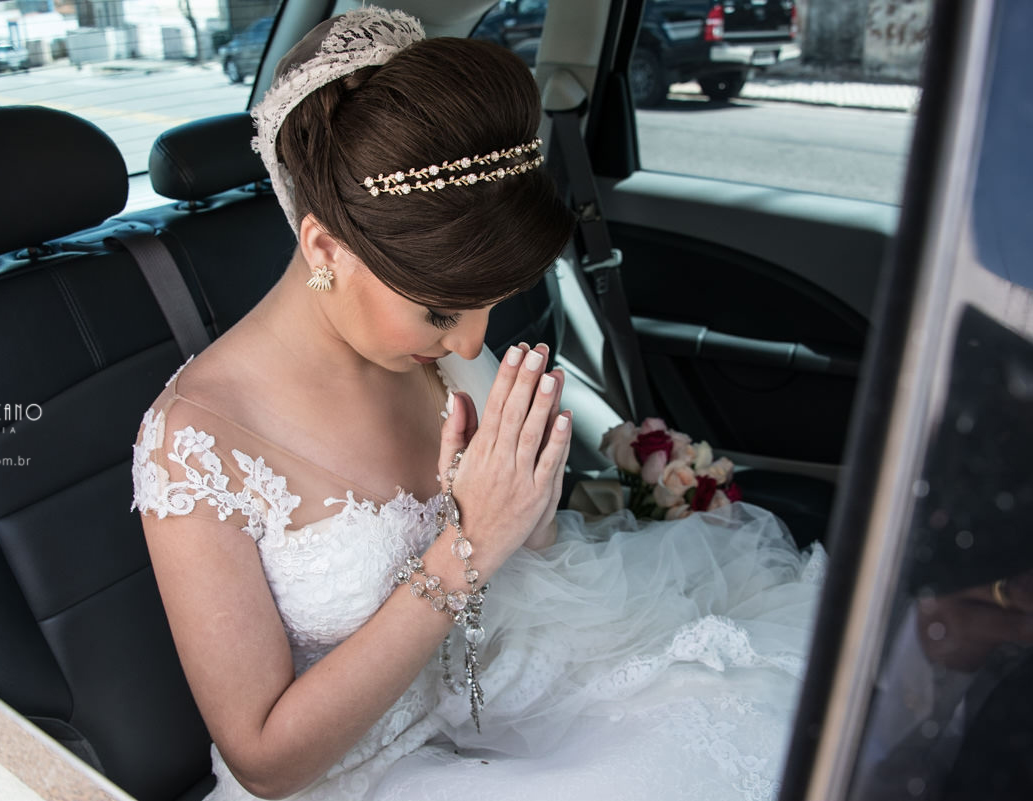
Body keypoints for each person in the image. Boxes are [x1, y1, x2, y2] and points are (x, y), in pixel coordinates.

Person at [131, 8, 825, 800]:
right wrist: (463, 550)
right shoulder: (194, 444)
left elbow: (532, 548)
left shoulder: (432, 353)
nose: (469, 346)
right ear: (326, 250)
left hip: (516, 691)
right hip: (364, 772)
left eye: (489, 307)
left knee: (775, 714)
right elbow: (264, 759)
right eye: (441, 313)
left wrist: (528, 502)